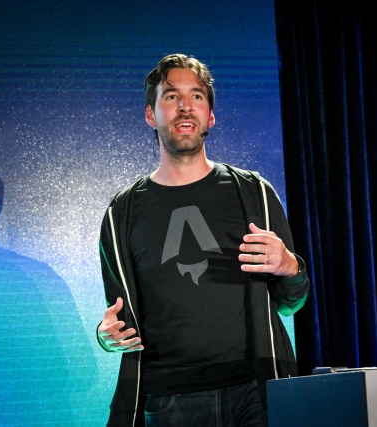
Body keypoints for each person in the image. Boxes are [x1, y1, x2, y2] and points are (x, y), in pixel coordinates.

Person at [96, 53, 309, 427]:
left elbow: (291, 303)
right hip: (169, 401)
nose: (184, 107)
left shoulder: (255, 193)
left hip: (256, 393)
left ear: (210, 116)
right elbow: (118, 319)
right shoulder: (121, 214)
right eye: (170, 96)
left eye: (196, 96)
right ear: (150, 115)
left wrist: (291, 267)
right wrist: (106, 336)